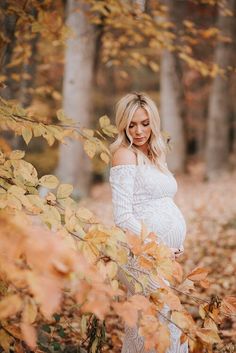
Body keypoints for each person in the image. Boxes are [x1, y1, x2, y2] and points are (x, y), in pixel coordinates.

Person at [109, 92, 188, 353]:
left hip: (161, 257)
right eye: (131, 125)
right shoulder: (124, 155)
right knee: (166, 322)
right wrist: (157, 247)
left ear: (153, 121)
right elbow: (122, 217)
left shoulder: (155, 155)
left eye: (144, 123)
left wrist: (174, 245)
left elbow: (162, 202)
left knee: (145, 326)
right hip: (140, 255)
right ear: (123, 125)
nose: (139, 130)